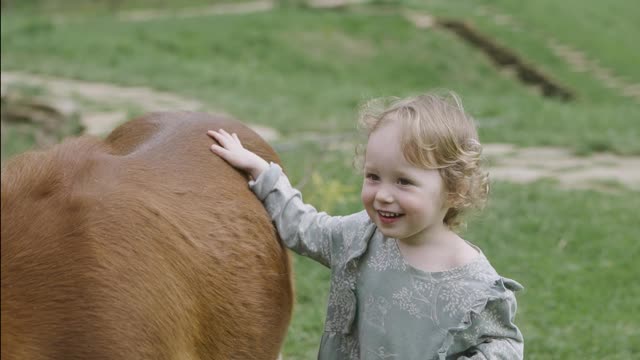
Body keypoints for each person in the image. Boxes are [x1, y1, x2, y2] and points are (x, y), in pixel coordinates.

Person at [207, 92, 524, 359]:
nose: (383, 195)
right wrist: (263, 173)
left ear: (453, 189)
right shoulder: (361, 238)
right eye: (374, 177)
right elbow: (304, 227)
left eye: (404, 181)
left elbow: (505, 346)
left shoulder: (475, 287)